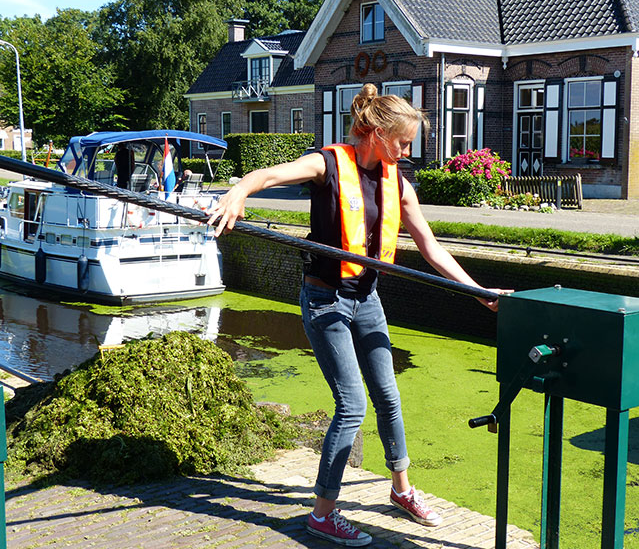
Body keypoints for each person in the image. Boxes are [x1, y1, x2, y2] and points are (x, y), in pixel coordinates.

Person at [207, 83, 507, 547]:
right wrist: (239, 191)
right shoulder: (327, 164)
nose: (407, 153)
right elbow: (266, 175)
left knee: (388, 395)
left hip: (367, 299)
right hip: (324, 299)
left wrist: (477, 292)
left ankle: (401, 490)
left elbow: (431, 248)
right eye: (403, 142)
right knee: (352, 405)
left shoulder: (398, 184)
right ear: (376, 133)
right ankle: (322, 515)